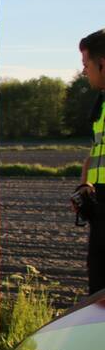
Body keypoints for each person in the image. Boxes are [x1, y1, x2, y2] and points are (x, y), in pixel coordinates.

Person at [74, 29, 105, 294]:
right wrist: (85, 185)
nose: (84, 71)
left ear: (102, 64)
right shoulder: (102, 103)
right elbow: (97, 150)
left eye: (86, 65)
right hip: (99, 200)